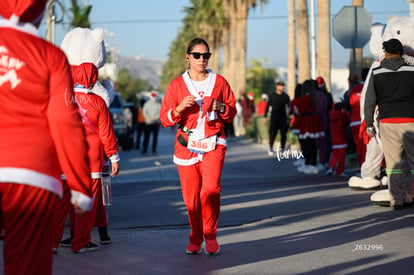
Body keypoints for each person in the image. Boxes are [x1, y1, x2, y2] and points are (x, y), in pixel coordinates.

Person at [0, 1, 93, 274]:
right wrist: (80, 185)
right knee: (26, 265)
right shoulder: (50, 55)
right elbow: (65, 122)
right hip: (30, 173)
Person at [159, 38, 236, 255]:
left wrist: (220, 106)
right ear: (188, 57)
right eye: (197, 55)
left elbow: (231, 112)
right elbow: (164, 119)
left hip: (214, 143)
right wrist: (179, 109)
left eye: (206, 55)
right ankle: (196, 237)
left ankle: (210, 234)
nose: (201, 59)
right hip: (186, 146)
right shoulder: (177, 85)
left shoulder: (219, 82)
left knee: (210, 190)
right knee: (191, 199)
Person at [57, 63, 120, 253]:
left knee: (62, 202)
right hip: (91, 157)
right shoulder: (98, 102)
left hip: (66, 154)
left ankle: (52, 243)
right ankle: (81, 241)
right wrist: (114, 157)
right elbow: (106, 133)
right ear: (93, 79)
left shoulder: (61, 100)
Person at [365, 38, 414, 210]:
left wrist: (369, 124)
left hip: (387, 122)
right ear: (401, 53)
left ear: (386, 53)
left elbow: (370, 101)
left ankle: (397, 200)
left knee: (393, 165)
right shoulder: (412, 70)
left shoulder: (377, 72)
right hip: (410, 121)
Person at [296, 80, 325, 174]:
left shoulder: (306, 98)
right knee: (312, 144)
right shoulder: (314, 97)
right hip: (314, 120)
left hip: (307, 121)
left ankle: (310, 164)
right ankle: (311, 163)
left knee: (308, 144)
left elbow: (301, 110)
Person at [349, 68, 369, 169]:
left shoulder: (354, 89)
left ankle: (361, 168)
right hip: (365, 120)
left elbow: (351, 103)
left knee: (358, 146)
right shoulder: (370, 86)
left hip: (354, 121)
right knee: (367, 146)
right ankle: (366, 169)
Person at [264, 80, 290, 156]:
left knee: (283, 134)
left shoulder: (286, 96)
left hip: (283, 118)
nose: (282, 87)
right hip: (274, 118)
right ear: (277, 86)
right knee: (272, 133)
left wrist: (289, 115)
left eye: (283, 86)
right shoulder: (272, 96)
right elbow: (268, 106)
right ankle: (270, 147)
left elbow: (289, 106)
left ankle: (282, 149)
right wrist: (265, 116)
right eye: (280, 85)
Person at [326, 102, 350, 176]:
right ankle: (340, 171)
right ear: (342, 109)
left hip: (334, 140)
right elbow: (347, 121)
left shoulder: (331, 116)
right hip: (342, 139)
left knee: (334, 156)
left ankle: (330, 168)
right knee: (341, 157)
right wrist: (347, 113)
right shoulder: (342, 116)